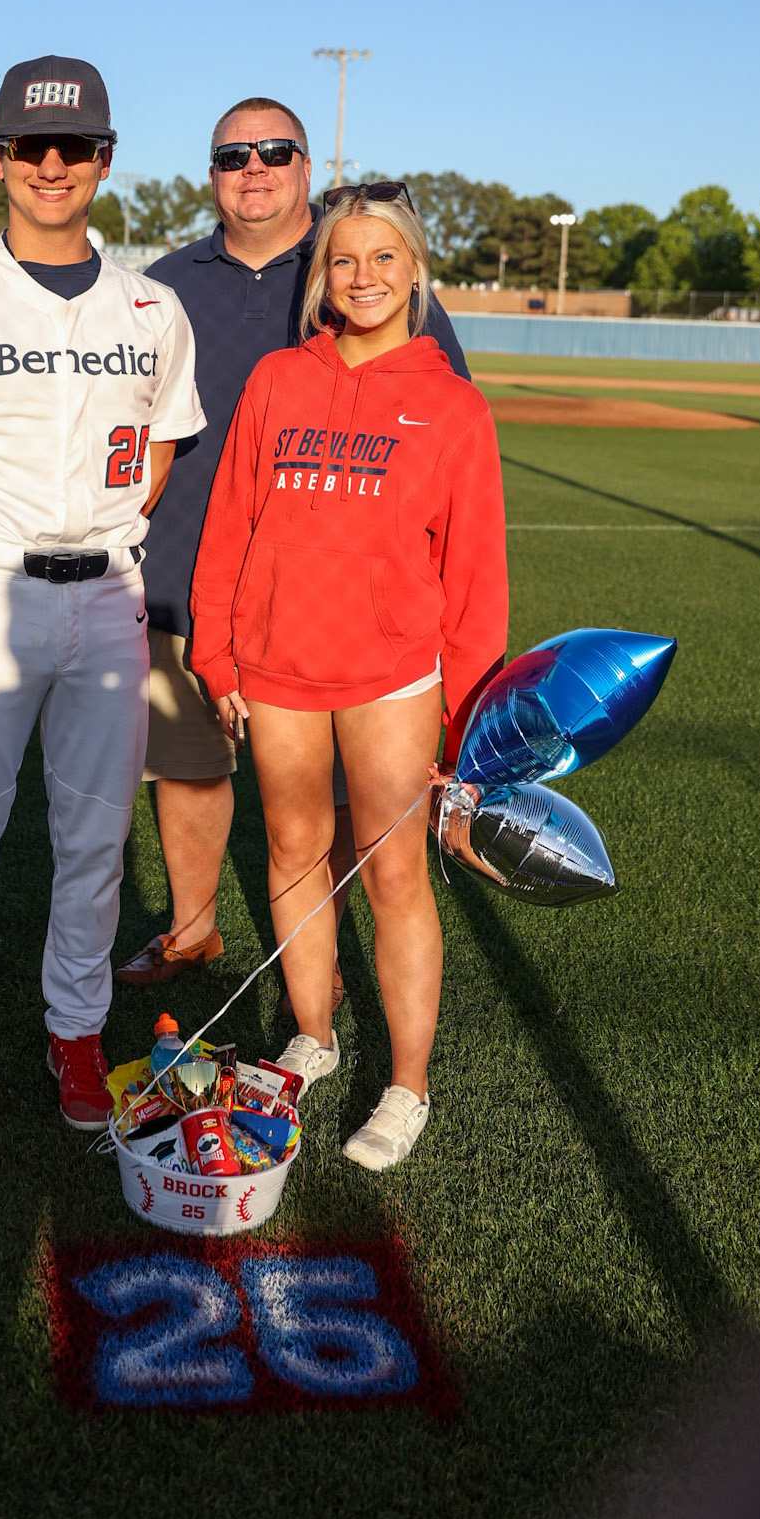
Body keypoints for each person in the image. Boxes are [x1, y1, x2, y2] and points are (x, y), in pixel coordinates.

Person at [0, 55, 204, 1150]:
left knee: (93, 841)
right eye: (31, 145)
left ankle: (75, 1030)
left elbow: (162, 445)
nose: (51, 164)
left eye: (74, 147)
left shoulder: (154, 304)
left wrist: (100, 534)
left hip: (107, 589)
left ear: (106, 161)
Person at [116, 98, 471, 994]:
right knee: (189, 769)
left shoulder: (352, 266)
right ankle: (192, 931)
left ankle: (327, 945)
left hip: (337, 606)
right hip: (183, 570)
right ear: (211, 174)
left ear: (305, 167)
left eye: (275, 151)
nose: (254, 168)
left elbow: (443, 428)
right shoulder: (161, 284)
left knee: (347, 798)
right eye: (233, 155)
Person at [189, 180, 507, 1170]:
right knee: (292, 848)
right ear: (320, 274)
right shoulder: (279, 380)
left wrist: (472, 718)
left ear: (415, 271)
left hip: (392, 677)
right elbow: (229, 523)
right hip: (277, 665)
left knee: (395, 870)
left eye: (384, 258)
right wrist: (215, 647)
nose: (362, 276)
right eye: (343, 259)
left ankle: (407, 1081)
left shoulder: (451, 404)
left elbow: (475, 574)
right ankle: (314, 1032)